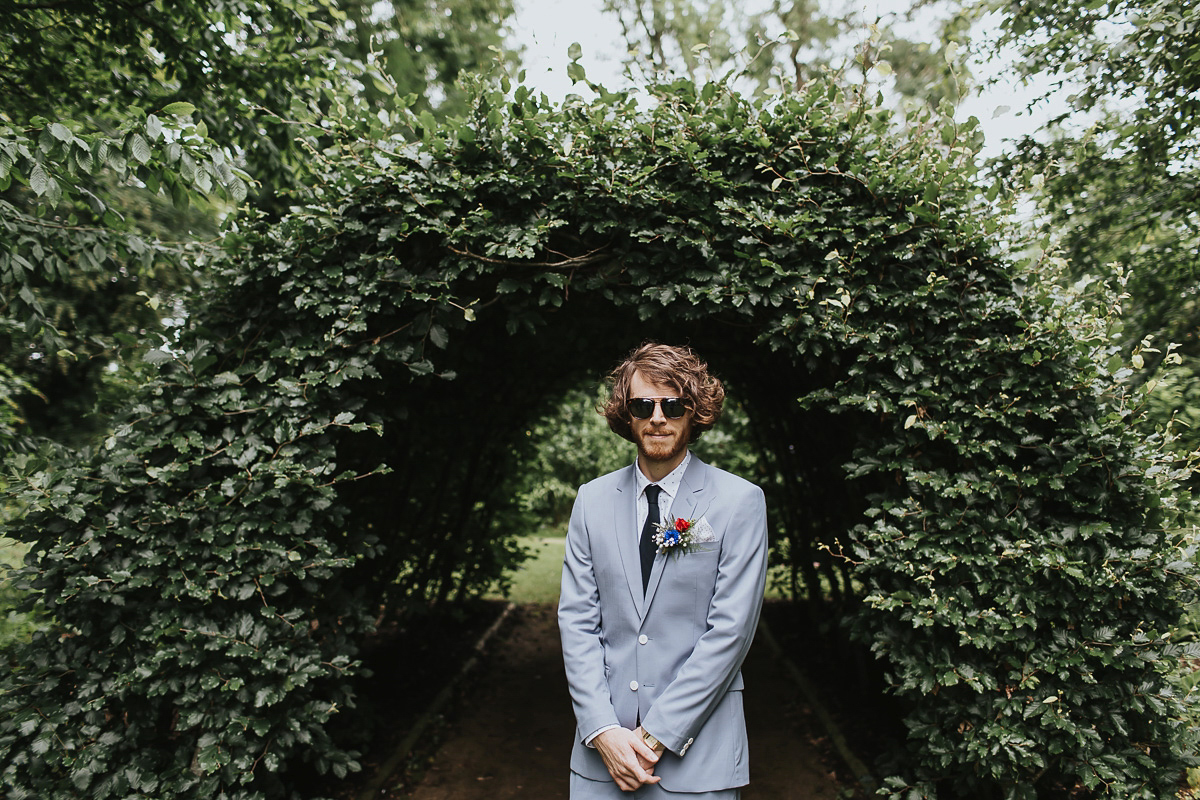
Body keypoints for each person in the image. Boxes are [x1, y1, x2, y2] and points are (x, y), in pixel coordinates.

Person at [559, 342, 769, 799]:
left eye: (672, 404)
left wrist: (655, 736)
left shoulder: (739, 501)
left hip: (700, 761)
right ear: (626, 414)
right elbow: (577, 622)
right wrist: (603, 732)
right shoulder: (590, 501)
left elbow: (730, 631)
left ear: (694, 412)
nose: (658, 417)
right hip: (602, 761)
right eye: (642, 404)